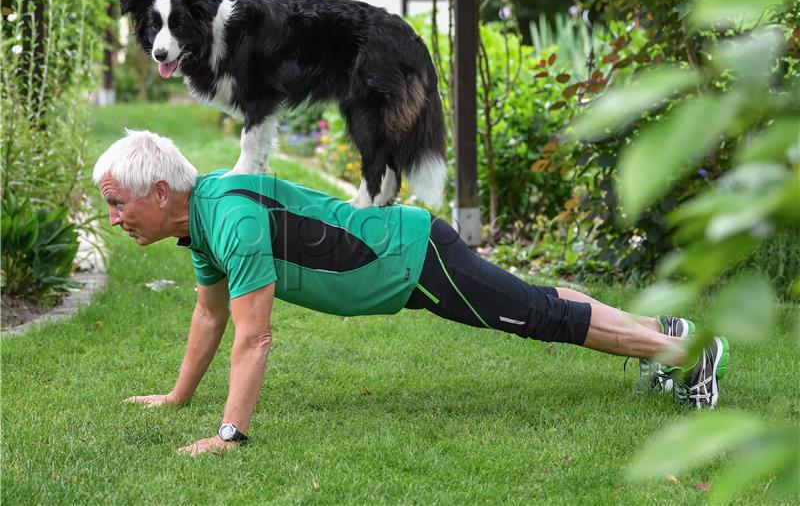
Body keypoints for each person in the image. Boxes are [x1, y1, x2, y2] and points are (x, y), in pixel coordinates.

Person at [93, 130, 730, 456]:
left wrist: (229, 434)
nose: (116, 220)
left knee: (536, 315)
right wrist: (178, 398)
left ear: (159, 193)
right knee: (536, 299)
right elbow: (209, 315)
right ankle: (666, 332)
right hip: (407, 260)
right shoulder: (203, 218)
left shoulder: (229, 217)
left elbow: (253, 335)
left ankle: (685, 355)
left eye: (119, 206)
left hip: (412, 259)